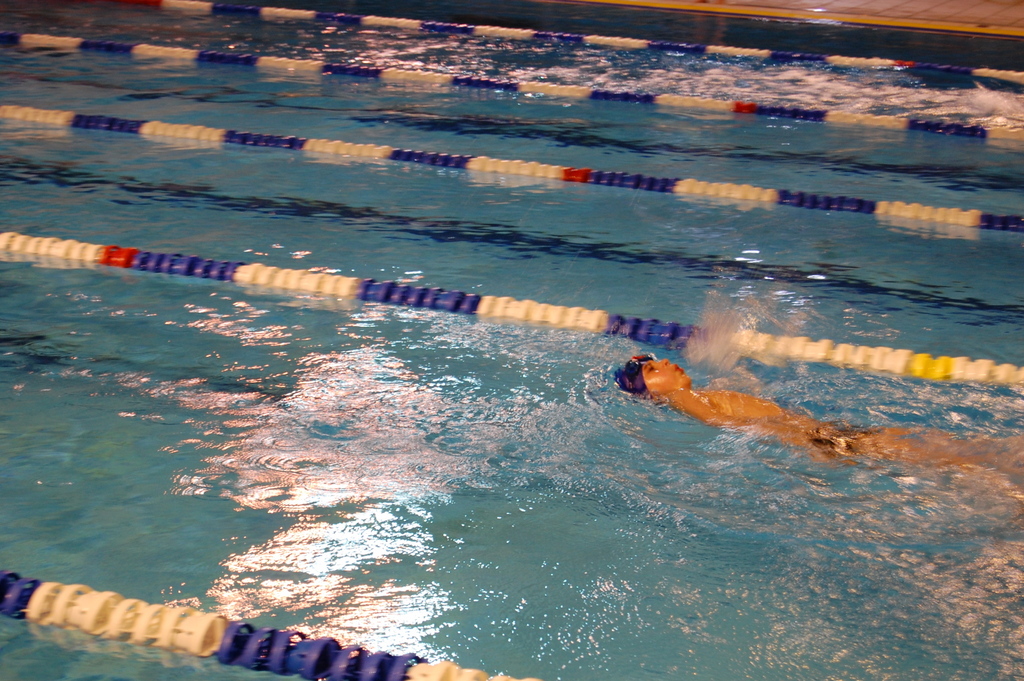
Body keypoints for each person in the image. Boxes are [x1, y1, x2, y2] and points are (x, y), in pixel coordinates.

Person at [615, 354, 981, 467]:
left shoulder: (696, 395)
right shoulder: (680, 399)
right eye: (653, 370)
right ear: (651, 393)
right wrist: (795, 437)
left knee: (915, 447)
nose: (665, 362)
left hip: (812, 432)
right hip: (810, 435)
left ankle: (979, 462)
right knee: (921, 451)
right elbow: (719, 420)